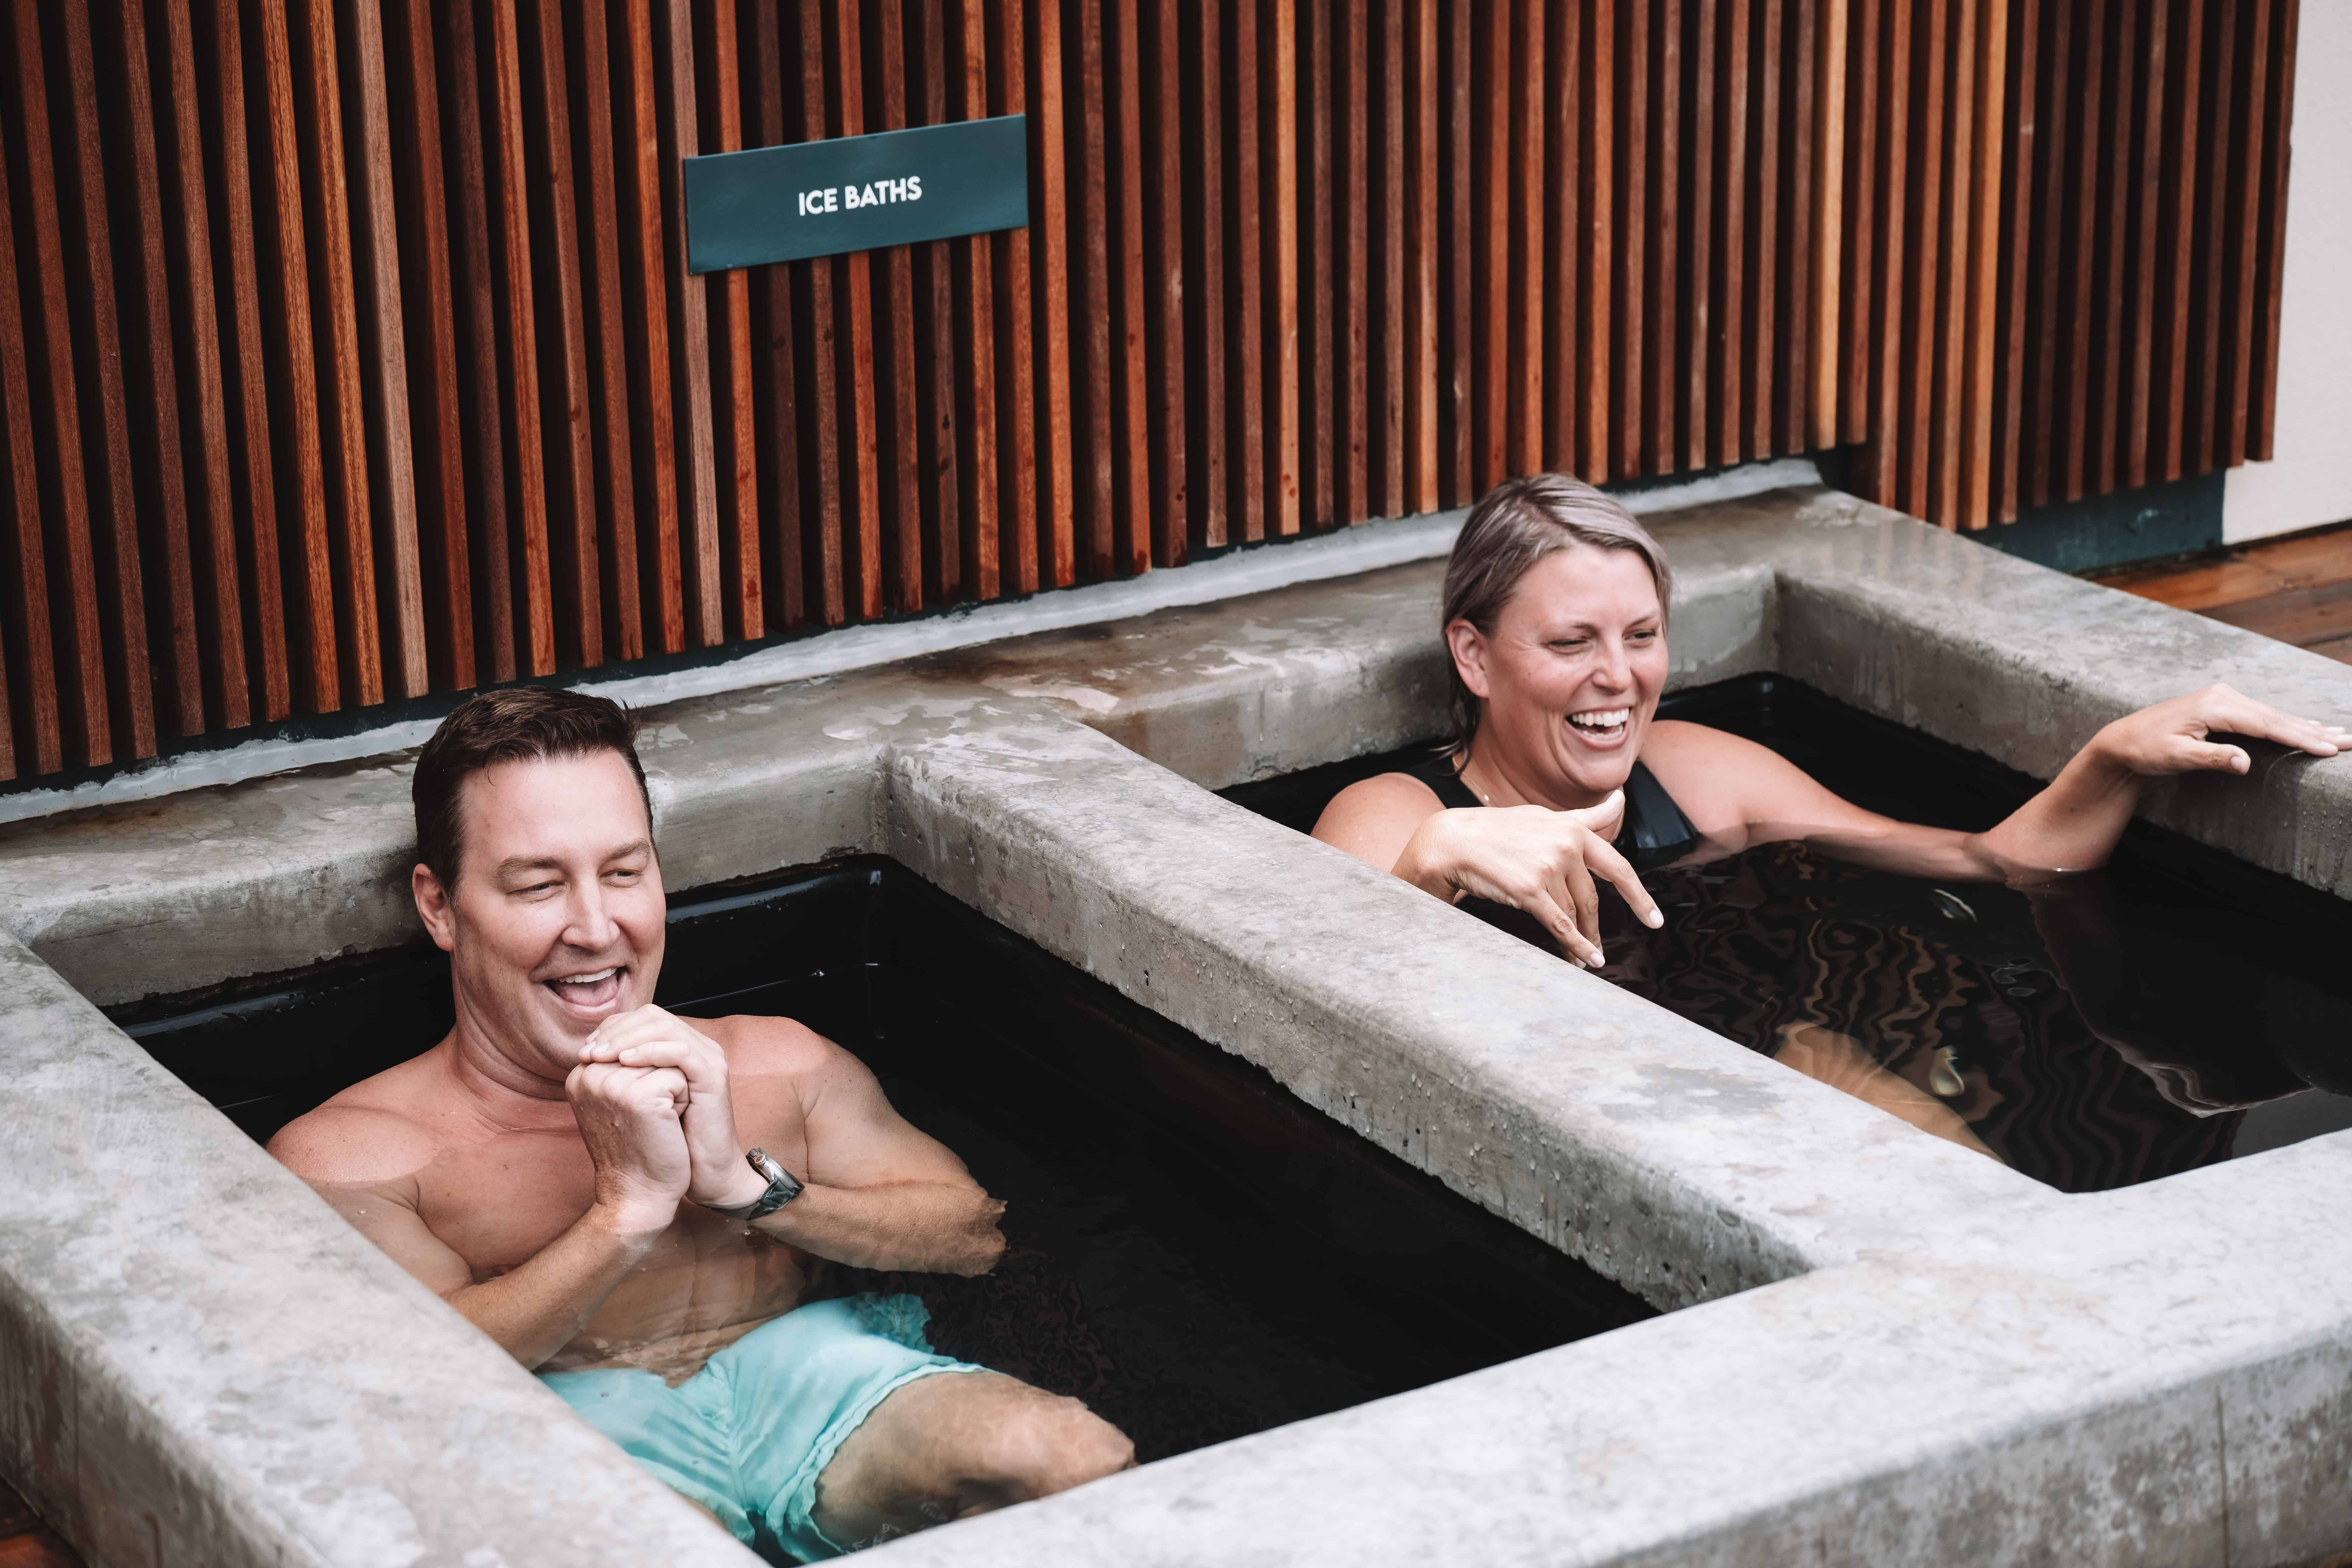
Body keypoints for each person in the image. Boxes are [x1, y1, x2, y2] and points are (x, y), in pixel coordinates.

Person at [269, 688, 1132, 1562]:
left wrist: (748, 1191)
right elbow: (408, 1389)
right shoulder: (359, 1158)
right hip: (576, 1417)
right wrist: (627, 1212)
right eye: (538, 884)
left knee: (1080, 1461)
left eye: (623, 872)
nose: (596, 927)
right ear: (441, 907)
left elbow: (973, 1237)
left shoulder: (782, 1067)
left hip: (807, 1381)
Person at [1313, 473, 2350, 1153]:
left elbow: (1986, 863)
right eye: (1571, 643)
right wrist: (1430, 863)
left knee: (1989, 1207)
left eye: (1640, 635)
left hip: (1753, 1078)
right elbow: (1304, 1004)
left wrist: (2115, 755)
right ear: (1474, 655)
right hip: (1530, 1133)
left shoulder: (1702, 776)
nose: (1618, 680)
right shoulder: (1396, 811)